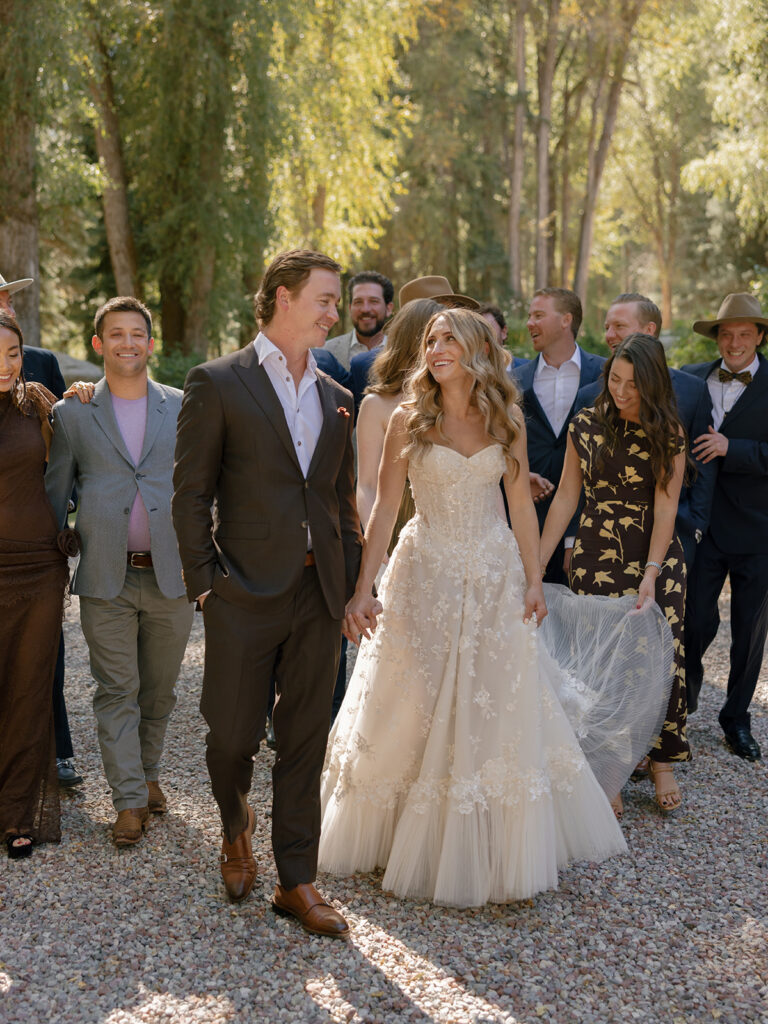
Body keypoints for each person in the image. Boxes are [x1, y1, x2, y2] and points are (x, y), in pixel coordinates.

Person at [319, 309, 673, 907]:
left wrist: (534, 580)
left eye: (449, 339)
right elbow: (382, 511)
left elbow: (521, 509)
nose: (436, 349)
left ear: (479, 349)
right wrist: (364, 587)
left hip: (492, 574)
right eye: (431, 340)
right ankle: (407, 831)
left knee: (492, 699)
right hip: (423, 572)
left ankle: (492, 838)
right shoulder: (408, 418)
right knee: (416, 698)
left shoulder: (505, 419)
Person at [172, 249, 363, 938]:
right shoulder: (217, 382)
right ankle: (233, 822)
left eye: (337, 300)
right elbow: (190, 496)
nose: (335, 312)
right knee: (228, 739)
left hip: (320, 595)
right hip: (241, 595)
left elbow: (341, 503)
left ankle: (296, 881)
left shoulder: (339, 397)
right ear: (282, 297)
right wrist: (206, 589)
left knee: (305, 738)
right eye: (325, 298)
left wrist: (349, 585)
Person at [46, 297, 194, 847]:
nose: (127, 343)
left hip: (170, 574)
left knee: (158, 692)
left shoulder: (182, 407)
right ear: (98, 344)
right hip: (105, 575)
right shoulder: (73, 413)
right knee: (116, 691)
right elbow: (56, 492)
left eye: (137, 334)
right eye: (116, 335)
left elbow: (202, 489)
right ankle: (128, 800)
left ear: (150, 344)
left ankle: (149, 774)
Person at [540, 333, 691, 816]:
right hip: (595, 555)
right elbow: (566, 495)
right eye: (615, 380)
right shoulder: (584, 424)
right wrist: (537, 563)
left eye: (633, 384)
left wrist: (650, 572)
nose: (622, 392)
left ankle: (662, 761)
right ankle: (610, 767)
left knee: (660, 655)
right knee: (601, 662)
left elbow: (666, 507)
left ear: (653, 384)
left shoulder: (669, 433)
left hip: (655, 558)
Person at [0, 272, 82, 787]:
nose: (4, 303)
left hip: (33, 540)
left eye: (6, 296)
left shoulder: (41, 366)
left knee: (40, 663)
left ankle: (58, 752)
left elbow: (64, 434)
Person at [682, 293, 768, 762]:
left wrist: (732, 448)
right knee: (694, 619)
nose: (734, 343)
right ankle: (684, 702)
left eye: (744, 334)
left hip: (759, 529)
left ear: (759, 337)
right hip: (704, 524)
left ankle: (736, 718)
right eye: (726, 334)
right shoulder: (693, 379)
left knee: (750, 632)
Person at [574, 293, 715, 569]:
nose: (610, 335)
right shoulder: (589, 396)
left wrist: (695, 526)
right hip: (604, 540)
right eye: (606, 327)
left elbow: (703, 462)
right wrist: (572, 539)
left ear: (649, 330)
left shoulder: (692, 389)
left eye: (619, 326)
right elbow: (579, 478)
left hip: (677, 533)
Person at [512, 288, 605, 584]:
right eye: (529, 316)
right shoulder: (513, 381)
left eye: (538, 315)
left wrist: (573, 535)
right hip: (524, 523)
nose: (529, 323)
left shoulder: (605, 376)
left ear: (566, 320)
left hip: (589, 526)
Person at [356, 298, 442, 539]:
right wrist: (378, 546)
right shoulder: (376, 405)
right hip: (398, 527)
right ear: (416, 340)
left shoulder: (456, 397)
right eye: (435, 339)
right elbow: (367, 485)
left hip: (453, 528)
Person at [324, 271, 394, 370]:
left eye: (374, 301)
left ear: (388, 309)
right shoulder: (327, 351)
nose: (365, 309)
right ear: (350, 308)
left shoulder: (403, 352)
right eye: (358, 302)